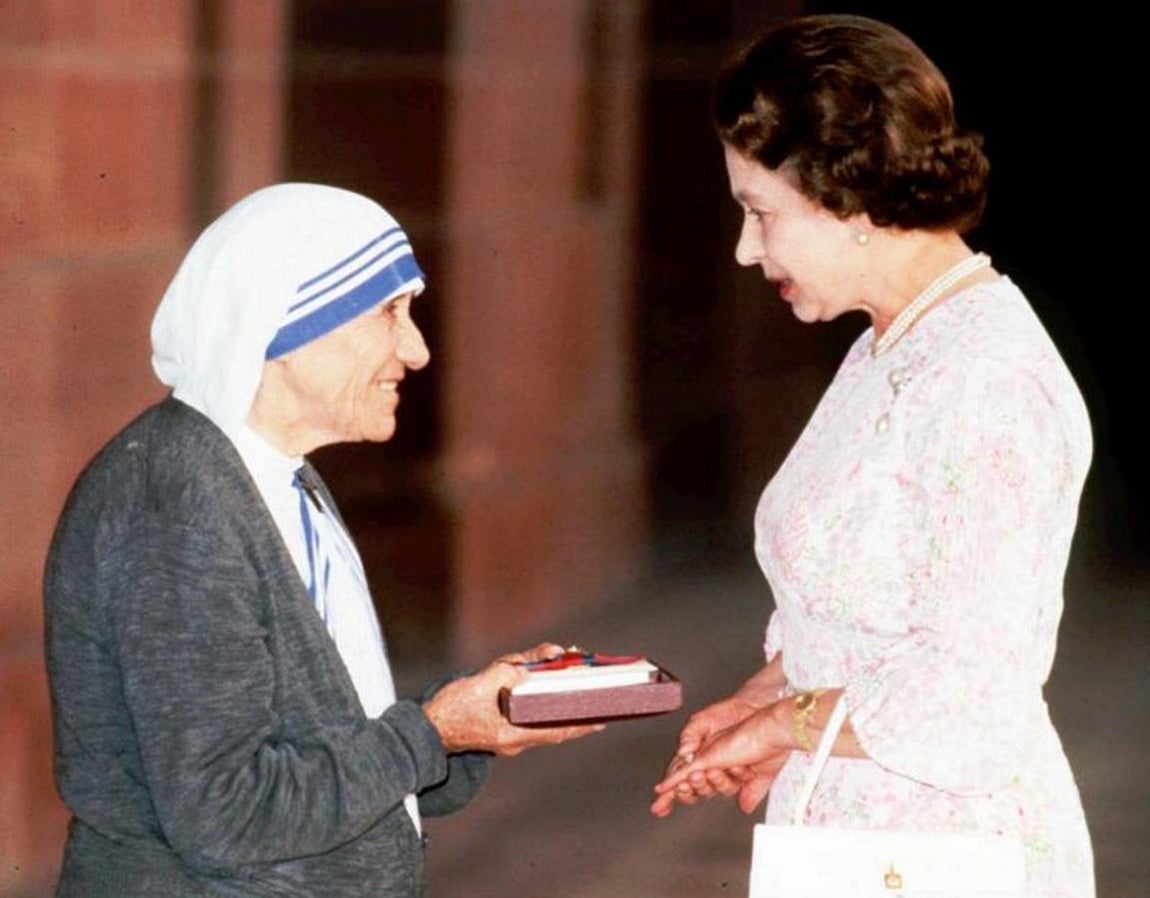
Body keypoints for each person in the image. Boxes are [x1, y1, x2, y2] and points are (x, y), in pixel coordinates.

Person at [43, 183, 599, 897]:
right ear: (283, 328)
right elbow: (229, 813)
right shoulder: (178, 501)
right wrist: (432, 733)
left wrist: (473, 722)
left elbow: (322, 753)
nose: (418, 350)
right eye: (389, 312)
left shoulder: (272, 476)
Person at [650, 15, 1094, 897]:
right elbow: (868, 605)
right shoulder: (889, 342)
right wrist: (760, 695)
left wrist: (783, 724)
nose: (746, 249)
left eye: (759, 212)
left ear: (845, 197)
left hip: (952, 852)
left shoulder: (987, 376)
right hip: (856, 836)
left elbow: (973, 697)